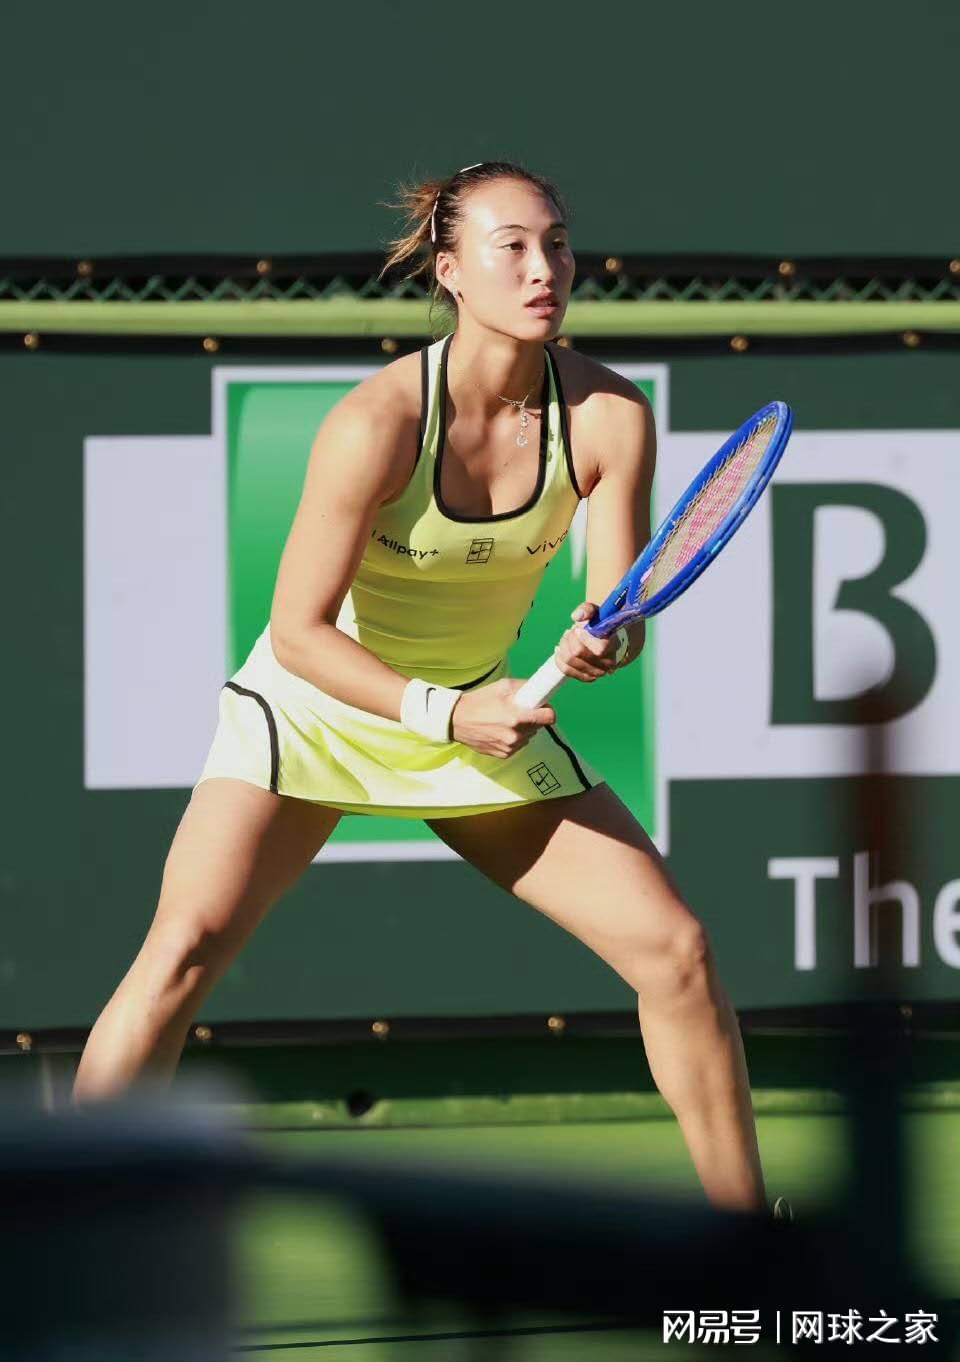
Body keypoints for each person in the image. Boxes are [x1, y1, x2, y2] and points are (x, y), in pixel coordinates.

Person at [73, 160, 780, 1218]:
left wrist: (604, 639)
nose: (545, 270)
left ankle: (751, 1244)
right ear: (450, 271)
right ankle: (63, 1232)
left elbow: (618, 607)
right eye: (512, 248)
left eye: (558, 245)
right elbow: (296, 634)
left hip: (476, 714)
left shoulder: (609, 417)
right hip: (317, 711)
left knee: (677, 953)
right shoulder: (374, 423)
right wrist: (445, 712)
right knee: (181, 954)